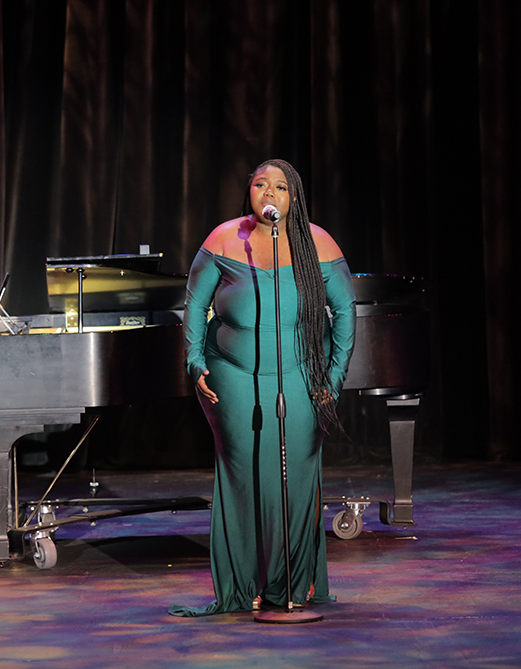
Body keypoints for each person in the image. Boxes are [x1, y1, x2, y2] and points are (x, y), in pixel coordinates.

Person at [170, 159, 356, 616]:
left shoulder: (319, 243)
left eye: (280, 187)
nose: (269, 193)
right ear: (249, 192)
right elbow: (194, 307)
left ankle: (290, 583)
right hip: (230, 376)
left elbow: (346, 315)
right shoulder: (223, 239)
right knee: (244, 474)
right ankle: (243, 584)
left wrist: (333, 377)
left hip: (303, 375)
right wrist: (195, 362)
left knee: (293, 477)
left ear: (294, 197)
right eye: (260, 184)